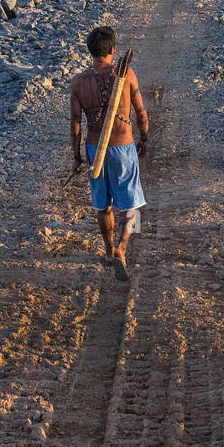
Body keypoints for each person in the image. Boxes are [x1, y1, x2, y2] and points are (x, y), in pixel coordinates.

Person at [71, 25, 149, 282]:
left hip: (95, 149)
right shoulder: (126, 75)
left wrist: (77, 157)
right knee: (131, 206)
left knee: (102, 205)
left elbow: (75, 124)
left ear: (90, 52)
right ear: (113, 50)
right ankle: (122, 248)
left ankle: (107, 250)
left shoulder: (79, 82)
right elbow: (140, 112)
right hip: (123, 146)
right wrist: (145, 138)